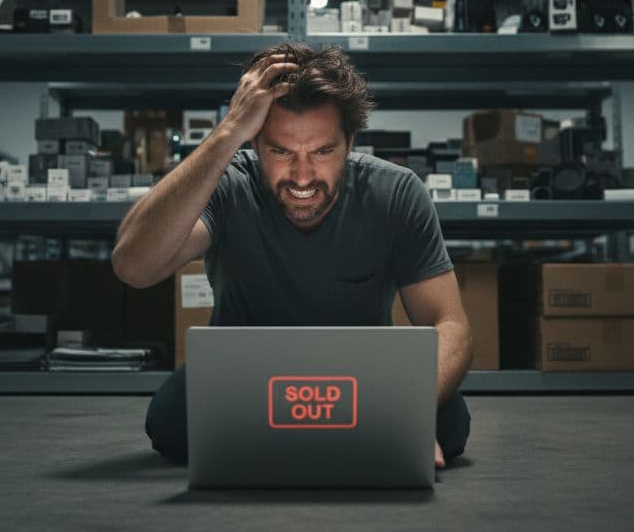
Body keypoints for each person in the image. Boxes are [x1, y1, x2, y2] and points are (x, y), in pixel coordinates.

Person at [111, 42, 473, 469]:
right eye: (280, 151)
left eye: (322, 151)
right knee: (173, 421)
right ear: (254, 143)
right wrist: (227, 132)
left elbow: (450, 324)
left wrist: (407, 409)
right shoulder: (227, 185)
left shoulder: (395, 192)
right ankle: (344, 441)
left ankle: (316, 437)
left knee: (449, 424)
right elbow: (133, 266)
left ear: (350, 143)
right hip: (243, 380)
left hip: (365, 381)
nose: (303, 177)